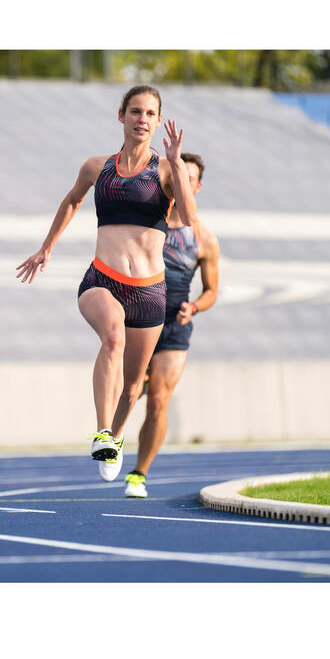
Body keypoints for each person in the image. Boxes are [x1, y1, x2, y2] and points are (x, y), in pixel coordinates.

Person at [16, 85, 197, 482]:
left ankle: (114, 439)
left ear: (158, 120)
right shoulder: (98, 167)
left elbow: (187, 215)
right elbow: (71, 200)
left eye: (151, 114)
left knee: (133, 388)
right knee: (113, 338)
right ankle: (102, 432)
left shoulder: (166, 170)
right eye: (135, 111)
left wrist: (178, 166)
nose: (142, 120)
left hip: (150, 292)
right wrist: (47, 247)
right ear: (121, 115)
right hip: (103, 279)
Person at [124, 153, 220, 498]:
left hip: (174, 324)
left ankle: (138, 474)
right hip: (138, 318)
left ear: (197, 187)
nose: (182, 184)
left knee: (159, 400)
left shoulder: (205, 239)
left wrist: (193, 307)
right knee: (131, 391)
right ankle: (112, 436)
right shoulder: (150, 222)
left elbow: (211, 292)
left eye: (189, 178)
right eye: (177, 176)